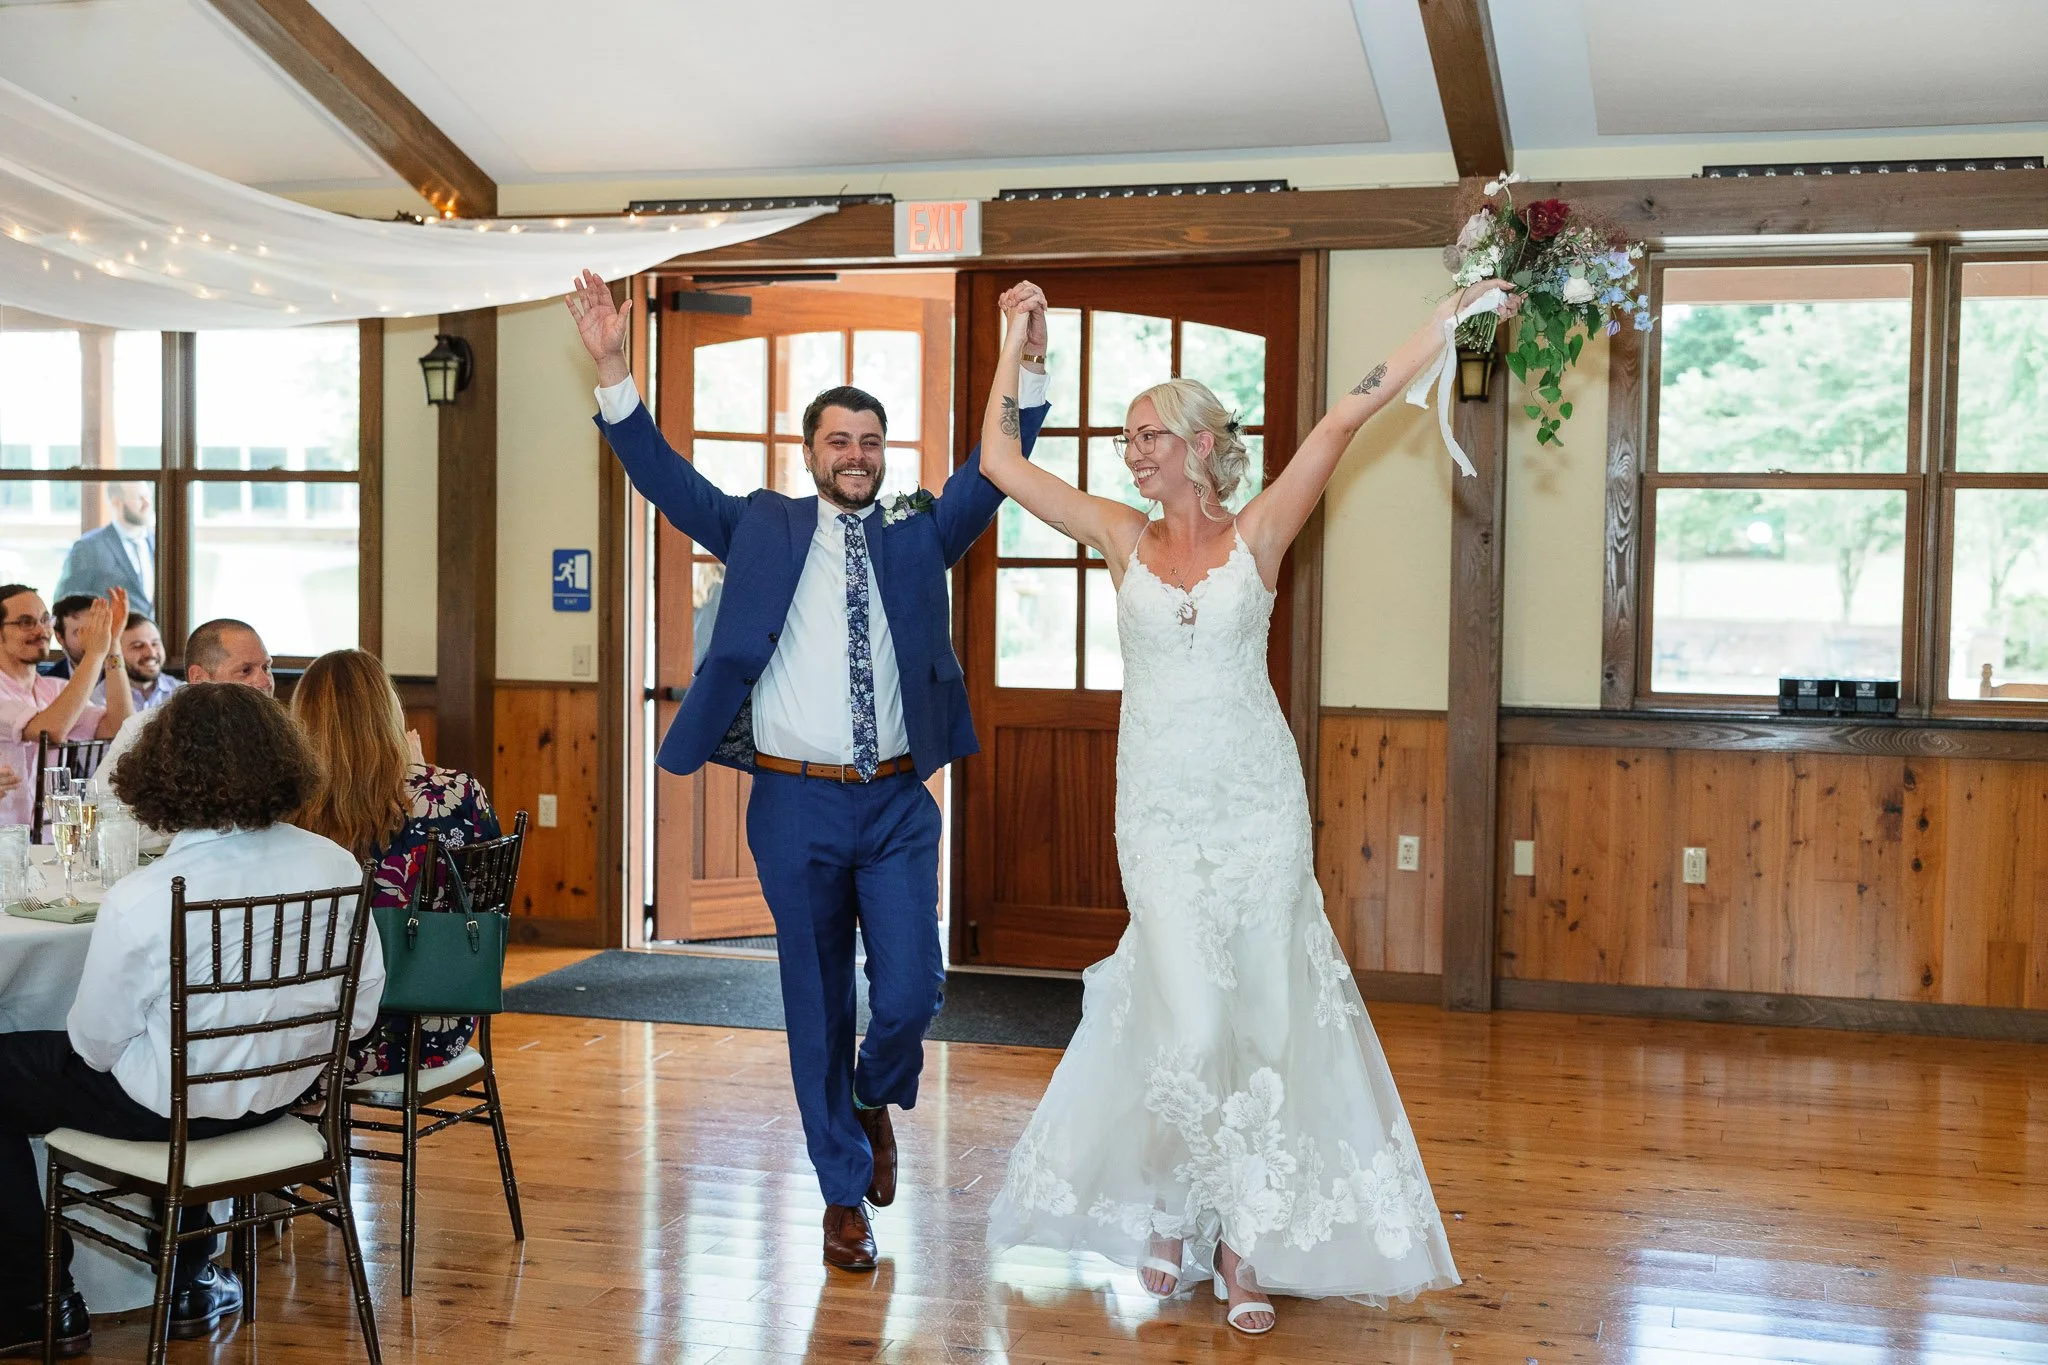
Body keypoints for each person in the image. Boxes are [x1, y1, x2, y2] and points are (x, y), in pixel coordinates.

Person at [977, 280, 1513, 1334]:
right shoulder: (1118, 536)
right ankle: (1176, 1214)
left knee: (1262, 1019)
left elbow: (1346, 414)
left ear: (1195, 441)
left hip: (1256, 808)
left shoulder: (1259, 531)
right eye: (1127, 438)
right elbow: (998, 464)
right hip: (1160, 815)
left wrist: (1448, 319)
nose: (1130, 453)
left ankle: (1238, 1242)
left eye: (1145, 435)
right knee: (1191, 1014)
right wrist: (1011, 344)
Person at [566, 268, 1050, 1271]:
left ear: (886, 456)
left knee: (911, 991)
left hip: (897, 804)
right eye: (839, 440)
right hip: (791, 803)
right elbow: (662, 476)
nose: (857, 455)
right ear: (811, 453)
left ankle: (871, 1097)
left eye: (871, 442)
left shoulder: (922, 529)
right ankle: (840, 1193)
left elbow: (993, 465)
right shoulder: (761, 526)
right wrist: (613, 366)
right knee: (814, 999)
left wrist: (1023, 360)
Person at [0, 682, 382, 1355]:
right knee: (174, 1053)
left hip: (167, 1111)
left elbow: (92, 1044)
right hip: (281, 1098)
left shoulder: (145, 895)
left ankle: (38, 1299)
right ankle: (187, 1277)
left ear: (161, 771)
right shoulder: (335, 863)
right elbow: (361, 1015)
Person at [290, 649, 499, 1084]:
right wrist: (420, 773)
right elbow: (484, 902)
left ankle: (312, 1143)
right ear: (389, 710)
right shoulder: (456, 792)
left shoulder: (289, 805)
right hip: (437, 1021)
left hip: (315, 1036)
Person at [95, 617, 272, 802]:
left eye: (266, 667)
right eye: (245, 671)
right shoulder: (144, 730)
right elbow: (101, 804)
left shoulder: (280, 734)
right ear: (198, 678)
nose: (265, 681)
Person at [0, 586, 133, 829]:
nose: (41, 631)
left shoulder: (57, 689)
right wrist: (94, 654)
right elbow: (50, 731)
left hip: (52, 840)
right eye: (26, 622)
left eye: (44, 620)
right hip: (7, 840)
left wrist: (112, 645)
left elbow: (118, 726)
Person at [53, 481, 156, 620]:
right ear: (116, 502)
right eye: (139, 498)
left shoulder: (160, 543)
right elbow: (66, 605)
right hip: (110, 638)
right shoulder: (88, 547)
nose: (147, 503)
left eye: (148, 496)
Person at [95, 614, 178, 712]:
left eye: (155, 643)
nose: (151, 653)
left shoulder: (182, 693)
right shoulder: (98, 700)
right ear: (115, 652)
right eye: (138, 646)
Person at [40, 596, 97, 680]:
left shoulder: (118, 669)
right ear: (60, 638)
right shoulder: (48, 681)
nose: (88, 639)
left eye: (95, 630)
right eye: (78, 632)